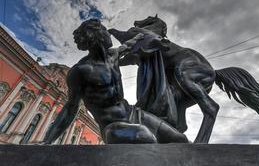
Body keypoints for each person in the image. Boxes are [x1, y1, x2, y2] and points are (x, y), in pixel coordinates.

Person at [42, 19, 188, 144]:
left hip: (133, 114)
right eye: (105, 30)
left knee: (180, 139)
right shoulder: (80, 71)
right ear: (96, 35)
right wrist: (47, 141)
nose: (108, 33)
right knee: (146, 137)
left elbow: (129, 45)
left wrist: (142, 36)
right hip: (112, 127)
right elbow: (70, 108)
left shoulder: (113, 55)